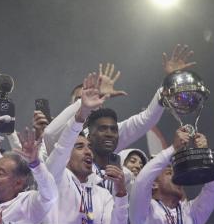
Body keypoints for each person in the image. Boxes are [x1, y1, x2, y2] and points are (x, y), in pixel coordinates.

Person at [42, 46, 196, 159]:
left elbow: (146, 119)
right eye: (80, 99)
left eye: (92, 98)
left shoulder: (106, 134)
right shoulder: (60, 137)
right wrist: (82, 106)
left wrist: (171, 81)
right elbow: (49, 134)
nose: (88, 102)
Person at [40, 73, 129, 224]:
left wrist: (121, 194)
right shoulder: (56, 177)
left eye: (89, 147)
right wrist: (82, 110)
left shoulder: (103, 194)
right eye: (79, 147)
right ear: (65, 157)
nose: (88, 152)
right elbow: (52, 135)